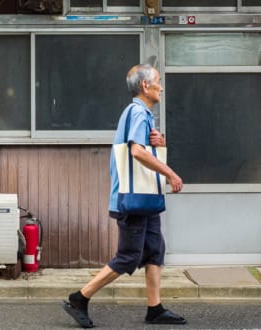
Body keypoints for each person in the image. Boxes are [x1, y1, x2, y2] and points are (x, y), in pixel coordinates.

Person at [62, 63, 186, 327]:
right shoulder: (138, 112)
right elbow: (136, 152)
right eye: (158, 81)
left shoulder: (142, 115)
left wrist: (158, 145)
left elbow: (142, 149)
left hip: (145, 198)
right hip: (133, 199)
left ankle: (155, 309)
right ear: (145, 86)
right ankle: (80, 298)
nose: (161, 87)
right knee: (129, 255)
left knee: (154, 250)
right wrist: (170, 173)